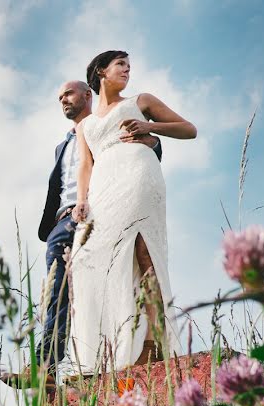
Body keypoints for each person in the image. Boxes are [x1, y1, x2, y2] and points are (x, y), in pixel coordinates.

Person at [2, 79, 161, 389]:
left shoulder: (106, 122)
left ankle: (115, 356)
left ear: (88, 95)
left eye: (68, 93)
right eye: (59, 96)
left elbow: (145, 146)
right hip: (63, 221)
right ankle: (45, 367)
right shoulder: (63, 144)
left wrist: (153, 142)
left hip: (105, 209)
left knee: (111, 281)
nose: (63, 99)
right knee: (58, 292)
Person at [65, 50, 195, 374]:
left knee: (142, 249)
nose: (127, 69)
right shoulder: (86, 126)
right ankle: (107, 348)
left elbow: (188, 129)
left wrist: (149, 126)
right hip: (103, 188)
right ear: (101, 72)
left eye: (129, 65)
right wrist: (82, 199)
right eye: (120, 64)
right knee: (86, 261)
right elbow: (85, 164)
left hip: (138, 175)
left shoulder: (141, 100)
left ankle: (154, 341)